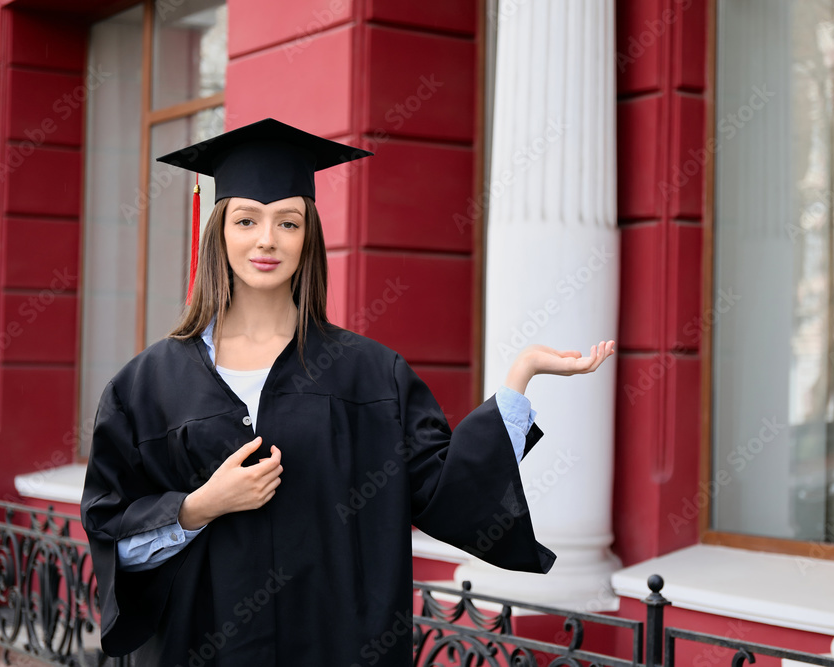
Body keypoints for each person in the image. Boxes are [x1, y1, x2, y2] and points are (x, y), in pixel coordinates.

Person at [80, 118, 615, 666]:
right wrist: (197, 507)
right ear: (218, 231)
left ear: (308, 235)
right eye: (247, 220)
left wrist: (517, 381)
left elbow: (445, 492)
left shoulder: (370, 374)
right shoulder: (146, 386)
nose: (267, 239)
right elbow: (113, 535)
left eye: (288, 222)